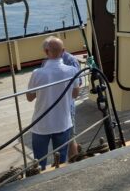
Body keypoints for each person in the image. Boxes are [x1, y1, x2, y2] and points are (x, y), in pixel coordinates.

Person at [26, 36, 80, 170]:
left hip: (41, 125)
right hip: (63, 123)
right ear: (63, 51)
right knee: (60, 161)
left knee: (39, 162)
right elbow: (75, 94)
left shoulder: (37, 73)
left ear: (46, 52)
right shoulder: (72, 71)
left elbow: (30, 97)